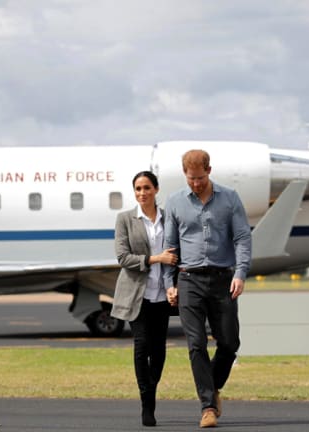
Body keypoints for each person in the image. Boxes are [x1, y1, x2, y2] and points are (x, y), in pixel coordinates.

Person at [163, 149, 252, 428]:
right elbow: (170, 247)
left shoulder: (229, 198)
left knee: (229, 343)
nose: (196, 184)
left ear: (209, 171)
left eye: (200, 178)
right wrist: (169, 283)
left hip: (223, 279)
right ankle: (208, 407)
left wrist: (240, 272)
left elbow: (242, 237)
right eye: (191, 179)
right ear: (185, 175)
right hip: (188, 280)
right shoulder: (175, 202)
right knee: (196, 344)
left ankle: (212, 387)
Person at [111, 171, 178, 427]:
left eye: (147, 188)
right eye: (138, 189)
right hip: (135, 295)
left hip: (162, 294)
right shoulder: (125, 219)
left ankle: (151, 389)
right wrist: (154, 259)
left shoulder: (169, 218)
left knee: (159, 350)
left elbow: (176, 254)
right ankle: (147, 404)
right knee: (141, 346)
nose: (142, 193)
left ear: (156, 189)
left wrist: (173, 284)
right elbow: (123, 258)